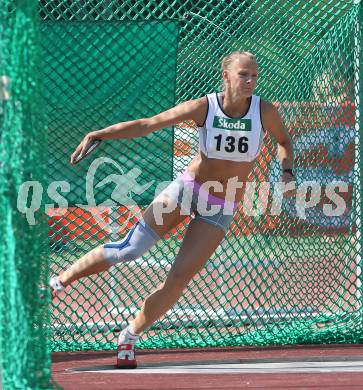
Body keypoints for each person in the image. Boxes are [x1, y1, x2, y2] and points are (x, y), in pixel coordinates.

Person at [49, 51, 295, 369]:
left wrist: (287, 170)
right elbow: (149, 124)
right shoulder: (205, 107)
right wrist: (99, 133)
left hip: (221, 205)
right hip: (186, 192)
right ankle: (57, 284)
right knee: (129, 249)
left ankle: (130, 335)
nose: (249, 81)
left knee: (178, 279)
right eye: (243, 74)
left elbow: (285, 141)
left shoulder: (265, 111)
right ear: (226, 76)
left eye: (253, 76)